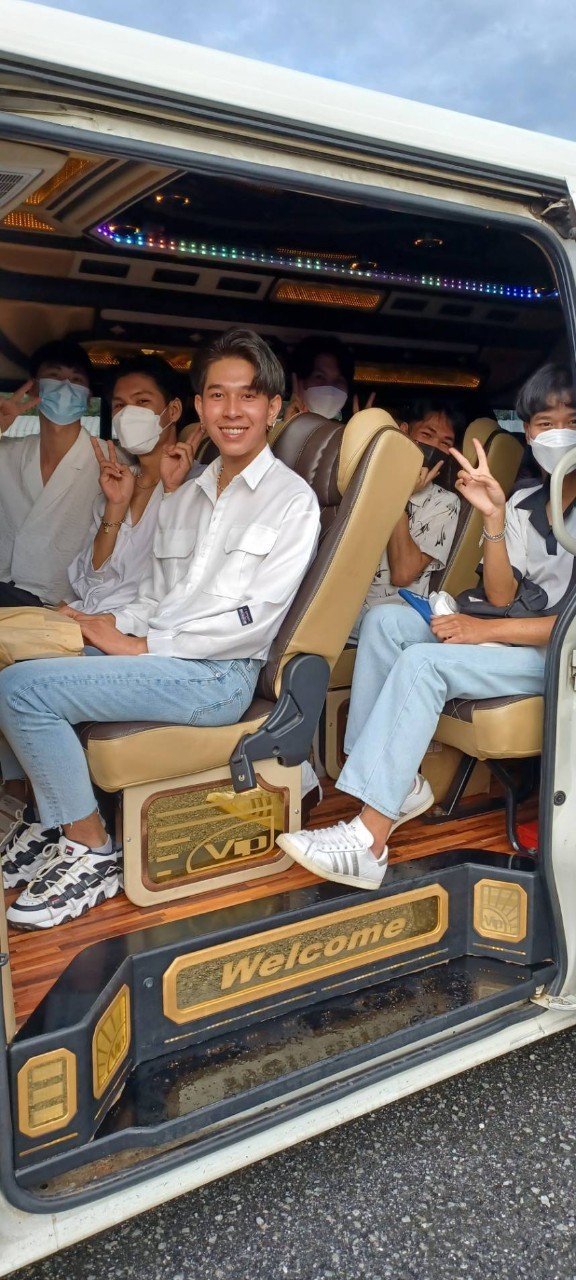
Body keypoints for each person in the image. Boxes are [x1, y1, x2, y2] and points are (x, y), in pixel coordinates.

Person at [0, 328, 321, 926]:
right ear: (199, 405)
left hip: (216, 674)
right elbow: (154, 596)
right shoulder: (186, 496)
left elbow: (253, 620)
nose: (232, 411)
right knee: (16, 659)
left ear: (274, 407)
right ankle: (51, 821)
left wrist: (142, 645)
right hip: (164, 660)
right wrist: (104, 624)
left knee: (22, 691)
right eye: (218, 395)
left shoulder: (292, 501)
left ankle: (91, 849)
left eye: (248, 396)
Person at [278, 364, 576, 890]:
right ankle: (399, 785)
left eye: (570, 421)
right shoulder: (524, 502)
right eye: (544, 423)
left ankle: (368, 843)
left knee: (424, 662)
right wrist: (493, 520)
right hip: (519, 636)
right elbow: (502, 597)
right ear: (528, 434)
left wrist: (483, 632)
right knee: (386, 621)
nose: (557, 434)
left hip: (560, 655)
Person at [66, 354, 202, 616]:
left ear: (173, 410)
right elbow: (88, 581)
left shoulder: (200, 485)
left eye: (142, 401)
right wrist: (115, 508)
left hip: (135, 628)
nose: (128, 413)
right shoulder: (118, 484)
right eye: (119, 405)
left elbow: (181, 585)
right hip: (89, 615)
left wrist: (172, 494)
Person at [0, 339, 99, 607]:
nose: (66, 387)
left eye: (76, 380)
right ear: (34, 387)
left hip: (66, 608)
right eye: (54, 376)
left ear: (89, 396)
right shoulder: (6, 453)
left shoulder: (111, 463)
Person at [353, 399, 463, 633]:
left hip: (388, 621)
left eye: (445, 443)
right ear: (404, 433)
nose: (434, 446)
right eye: (427, 435)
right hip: (340, 611)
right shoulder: (366, 480)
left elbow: (403, 574)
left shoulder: (445, 503)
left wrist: (399, 496)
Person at [284, 335, 373, 423]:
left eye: (338, 380)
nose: (330, 389)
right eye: (319, 377)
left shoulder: (353, 430)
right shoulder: (279, 424)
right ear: (298, 381)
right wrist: (290, 426)